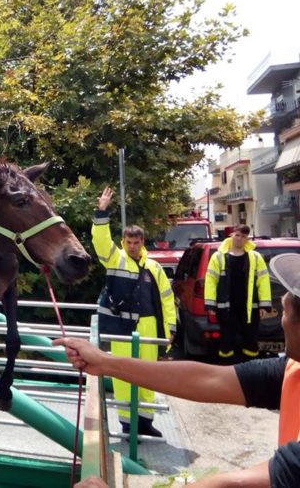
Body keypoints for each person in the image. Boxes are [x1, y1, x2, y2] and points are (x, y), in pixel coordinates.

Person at [53, 252, 300, 487]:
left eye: (286, 312)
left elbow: (237, 484)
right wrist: (105, 362)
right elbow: (210, 379)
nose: (281, 319)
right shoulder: (292, 370)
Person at [92, 186, 176, 437]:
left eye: (136, 242)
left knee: (148, 375)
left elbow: (167, 299)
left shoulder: (153, 267)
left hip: (149, 326)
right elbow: (100, 241)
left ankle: (146, 422)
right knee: (123, 376)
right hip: (122, 329)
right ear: (123, 242)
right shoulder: (114, 258)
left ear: (142, 242)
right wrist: (101, 211)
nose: (132, 246)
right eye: (129, 242)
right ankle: (128, 425)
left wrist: (170, 327)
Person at [205, 224, 272, 363]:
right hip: (226, 309)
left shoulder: (255, 257)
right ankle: (227, 371)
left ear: (247, 238)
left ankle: (250, 373)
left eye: (243, 236)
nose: (240, 238)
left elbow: (263, 281)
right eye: (237, 235)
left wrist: (264, 306)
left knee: (251, 342)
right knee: (226, 343)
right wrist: (210, 305)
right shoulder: (219, 257)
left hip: (250, 309)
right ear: (231, 235)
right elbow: (211, 281)